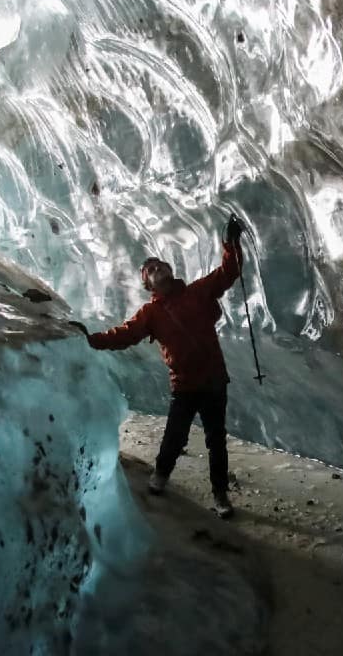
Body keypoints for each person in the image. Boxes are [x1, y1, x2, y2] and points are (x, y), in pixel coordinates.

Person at [83, 216, 245, 518]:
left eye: (160, 265)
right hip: (184, 385)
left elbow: (228, 272)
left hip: (213, 381)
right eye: (151, 270)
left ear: (170, 271)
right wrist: (90, 340)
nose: (157, 269)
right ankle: (160, 475)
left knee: (216, 440)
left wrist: (231, 243)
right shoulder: (150, 313)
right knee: (175, 436)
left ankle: (220, 494)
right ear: (147, 284)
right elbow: (125, 334)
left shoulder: (197, 292)